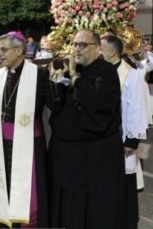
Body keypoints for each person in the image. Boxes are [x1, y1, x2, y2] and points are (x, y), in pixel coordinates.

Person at [0, 30, 60, 228]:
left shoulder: (38, 74)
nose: (0, 54)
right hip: (4, 146)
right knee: (6, 190)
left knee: (30, 191)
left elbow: (55, 105)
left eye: (4, 50)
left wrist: (59, 82)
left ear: (19, 51)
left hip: (30, 146)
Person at [49, 29, 125, 229]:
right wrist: (57, 81)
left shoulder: (106, 71)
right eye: (74, 44)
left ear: (98, 48)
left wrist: (74, 76)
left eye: (82, 45)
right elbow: (57, 106)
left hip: (95, 159)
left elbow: (97, 103)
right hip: (70, 157)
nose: (76, 49)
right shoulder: (72, 71)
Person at [100, 35, 148, 229]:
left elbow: (137, 108)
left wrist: (131, 141)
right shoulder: (101, 71)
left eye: (100, 48)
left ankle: (127, 222)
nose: (97, 51)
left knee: (125, 184)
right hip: (105, 139)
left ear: (112, 52)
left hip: (123, 139)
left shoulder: (131, 74)